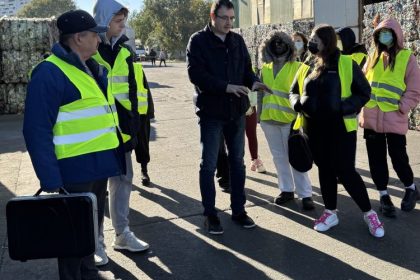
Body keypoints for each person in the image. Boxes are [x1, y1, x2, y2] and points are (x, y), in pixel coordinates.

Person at [23, 9, 124, 279]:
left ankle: (89, 273)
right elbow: (36, 130)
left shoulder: (92, 68)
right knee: (71, 239)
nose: (100, 40)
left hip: (98, 166)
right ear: (78, 38)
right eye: (95, 35)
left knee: (89, 231)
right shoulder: (49, 73)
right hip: (73, 170)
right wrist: (49, 178)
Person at [289, 24, 385, 238]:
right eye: (311, 38)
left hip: (341, 129)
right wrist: (298, 104)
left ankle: (369, 214)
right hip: (314, 129)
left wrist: (344, 106)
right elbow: (293, 91)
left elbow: (364, 92)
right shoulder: (307, 64)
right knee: (324, 169)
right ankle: (330, 212)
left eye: (315, 38)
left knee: (346, 171)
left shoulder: (347, 64)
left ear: (327, 40)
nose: (311, 42)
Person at [186, 0, 271, 235]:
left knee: (238, 163)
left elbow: (246, 69)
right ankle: (210, 214)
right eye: (224, 18)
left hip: (236, 112)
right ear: (212, 16)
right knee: (209, 165)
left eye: (232, 18)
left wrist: (253, 82)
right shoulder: (198, 41)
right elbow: (196, 75)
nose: (229, 23)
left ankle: (239, 210)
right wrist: (225, 87)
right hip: (212, 113)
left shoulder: (237, 40)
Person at [93, 0, 149, 267]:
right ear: (104, 21)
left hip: (124, 129)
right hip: (96, 132)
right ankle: (95, 243)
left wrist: (138, 124)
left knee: (123, 180)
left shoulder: (126, 50)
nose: (123, 25)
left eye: (123, 20)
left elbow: (136, 90)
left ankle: (122, 235)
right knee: (97, 189)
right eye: (118, 21)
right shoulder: (89, 51)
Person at [360, 18, 420, 217]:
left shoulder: (406, 58)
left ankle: (411, 188)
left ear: (396, 35)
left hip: (394, 117)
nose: (384, 36)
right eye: (380, 33)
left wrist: (402, 107)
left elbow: (414, 89)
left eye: (388, 32)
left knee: (399, 158)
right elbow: (362, 82)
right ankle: (384, 196)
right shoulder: (372, 57)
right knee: (376, 160)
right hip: (371, 117)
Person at [258, 30, 314, 210]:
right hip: (269, 120)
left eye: (282, 42)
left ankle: (305, 194)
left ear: (289, 46)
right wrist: (259, 116)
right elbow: (260, 94)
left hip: (291, 120)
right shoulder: (264, 68)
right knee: (279, 158)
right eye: (274, 42)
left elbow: (304, 95)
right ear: (268, 46)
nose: (278, 45)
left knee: (296, 157)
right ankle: (286, 190)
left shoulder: (298, 67)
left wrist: (303, 120)